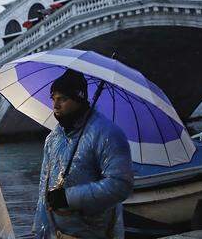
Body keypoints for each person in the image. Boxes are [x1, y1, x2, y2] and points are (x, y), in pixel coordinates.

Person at [32, 70, 134, 239]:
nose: (55, 105)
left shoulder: (107, 133)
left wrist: (68, 198)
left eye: (62, 99)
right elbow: (44, 190)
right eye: (53, 99)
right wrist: (41, 232)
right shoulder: (53, 139)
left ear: (78, 99)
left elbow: (120, 185)